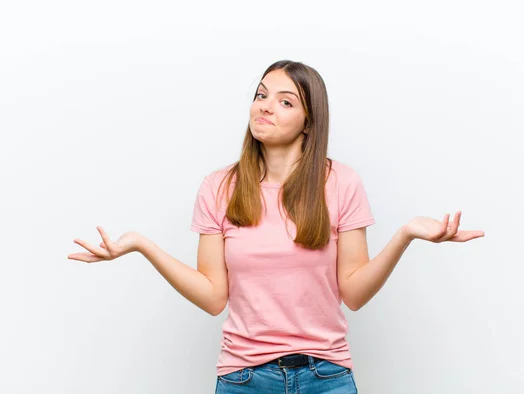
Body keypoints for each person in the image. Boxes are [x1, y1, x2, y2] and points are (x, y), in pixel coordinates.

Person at [68, 60, 485, 393]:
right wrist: (143, 245)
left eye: (285, 101)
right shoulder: (219, 188)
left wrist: (406, 234)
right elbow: (215, 298)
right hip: (243, 378)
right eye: (261, 95)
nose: (265, 106)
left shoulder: (340, 182)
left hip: (327, 376)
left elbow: (354, 294)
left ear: (308, 121)